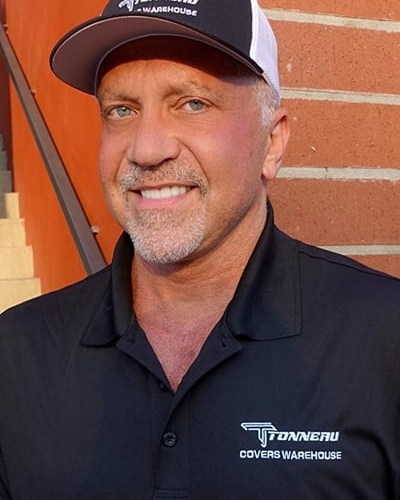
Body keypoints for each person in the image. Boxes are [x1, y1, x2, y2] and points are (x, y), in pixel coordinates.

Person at [1, 0, 400, 498]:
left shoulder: (383, 338)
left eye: (192, 103)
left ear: (272, 142)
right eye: (121, 110)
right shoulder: (17, 352)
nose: (146, 149)